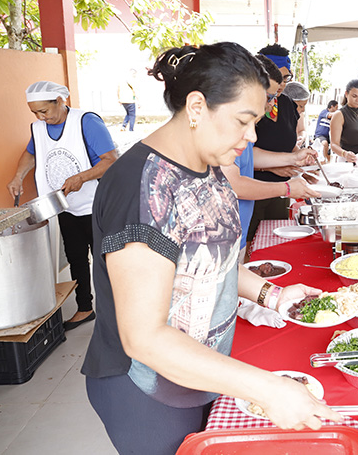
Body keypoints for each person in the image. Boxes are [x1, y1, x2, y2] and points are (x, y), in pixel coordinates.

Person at [81, 42, 341, 454]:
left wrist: (273, 295)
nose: (251, 136)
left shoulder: (207, 165)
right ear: (197, 107)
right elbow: (144, 337)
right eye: (243, 121)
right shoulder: (142, 190)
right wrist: (267, 388)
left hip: (198, 374)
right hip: (147, 392)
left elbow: (207, 261)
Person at [7, 81, 118, 331]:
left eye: (44, 111)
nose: (40, 117)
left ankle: (117, 311)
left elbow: (111, 160)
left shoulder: (86, 122)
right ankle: (85, 308)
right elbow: (31, 153)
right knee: (76, 258)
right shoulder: (39, 128)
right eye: (35, 112)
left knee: (106, 260)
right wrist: (17, 177)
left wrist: (82, 177)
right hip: (65, 206)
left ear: (59, 101)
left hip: (96, 205)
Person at [225, 56, 320, 255]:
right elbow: (234, 184)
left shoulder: (242, 124)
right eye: (269, 97)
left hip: (237, 233)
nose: (272, 104)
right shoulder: (227, 126)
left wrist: (294, 158)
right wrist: (287, 188)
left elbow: (251, 156)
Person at [247, 51, 302, 242]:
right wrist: (275, 171)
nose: (283, 83)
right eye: (280, 77)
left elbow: (289, 143)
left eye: (286, 78)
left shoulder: (286, 104)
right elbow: (242, 166)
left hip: (279, 191)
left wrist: (299, 159)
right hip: (253, 192)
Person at [284, 81, 310, 146]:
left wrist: (301, 137)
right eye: (301, 106)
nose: (303, 110)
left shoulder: (299, 115)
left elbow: (302, 130)